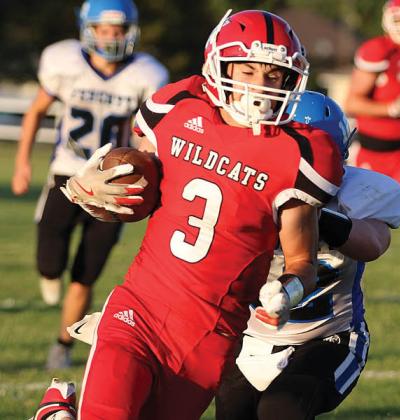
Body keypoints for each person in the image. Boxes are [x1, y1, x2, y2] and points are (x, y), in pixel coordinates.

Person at [43, 10, 343, 419]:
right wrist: (100, 189)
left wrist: (286, 294)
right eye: (248, 70)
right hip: (140, 311)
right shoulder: (178, 107)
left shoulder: (300, 153)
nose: (259, 85)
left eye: (273, 75)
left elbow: (302, 261)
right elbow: (137, 185)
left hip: (209, 337)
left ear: (291, 79)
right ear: (219, 64)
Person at [214, 91, 400, 419]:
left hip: (330, 337)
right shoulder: (246, 186)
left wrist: (314, 215)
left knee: (282, 409)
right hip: (251, 339)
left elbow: (374, 243)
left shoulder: (362, 192)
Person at [11, 0, 167, 370]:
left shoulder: (147, 73)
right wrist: (21, 164)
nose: (112, 37)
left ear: (130, 31)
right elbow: (35, 111)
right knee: (49, 263)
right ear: (88, 29)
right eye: (104, 29)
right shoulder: (64, 62)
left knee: (85, 273)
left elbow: (151, 134)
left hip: (115, 182)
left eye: (118, 29)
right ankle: (49, 276)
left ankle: (63, 344)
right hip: (69, 174)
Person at [344, 0, 400, 189]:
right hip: (372, 151)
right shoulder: (380, 50)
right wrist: (393, 108)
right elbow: (352, 104)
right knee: (362, 214)